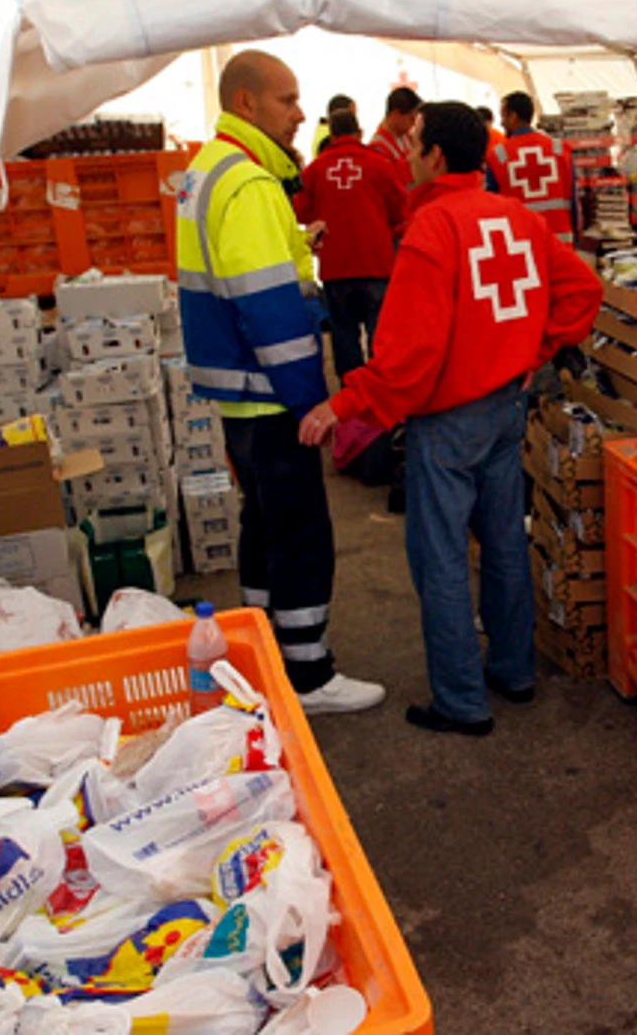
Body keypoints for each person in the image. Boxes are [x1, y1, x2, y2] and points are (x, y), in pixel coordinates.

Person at [299, 102, 602, 736]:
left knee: (438, 559)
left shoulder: (430, 231)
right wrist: (539, 349)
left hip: (450, 421)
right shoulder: (515, 217)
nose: (405, 156)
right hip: (505, 411)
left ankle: (461, 700)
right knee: (504, 543)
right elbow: (582, 290)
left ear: (435, 155)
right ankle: (514, 671)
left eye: (412, 146)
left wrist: (341, 403)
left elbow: (408, 361)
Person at [176, 50, 385, 715]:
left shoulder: (209, 170)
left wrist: (295, 238)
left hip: (235, 387)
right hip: (270, 388)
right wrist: (310, 398)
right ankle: (308, 673)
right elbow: (267, 304)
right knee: (300, 528)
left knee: (263, 520)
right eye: (287, 101)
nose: (301, 115)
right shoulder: (250, 184)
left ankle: (263, 649)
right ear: (246, 103)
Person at [294, 109, 407, 380]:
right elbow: (401, 209)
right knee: (381, 337)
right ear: (358, 132)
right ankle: (383, 395)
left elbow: (299, 212)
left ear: (331, 134)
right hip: (376, 265)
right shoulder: (378, 164)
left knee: (344, 338)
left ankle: (352, 402)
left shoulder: (316, 168)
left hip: (336, 268)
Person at [484, 91, 576, 244]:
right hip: (560, 240)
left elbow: (492, 208)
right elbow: (573, 200)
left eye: (503, 116)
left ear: (513, 116)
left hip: (520, 243)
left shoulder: (498, 156)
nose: (501, 123)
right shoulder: (559, 149)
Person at [368, 86, 420, 184]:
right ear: (396, 114)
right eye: (411, 119)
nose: (413, 124)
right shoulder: (378, 148)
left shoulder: (408, 137)